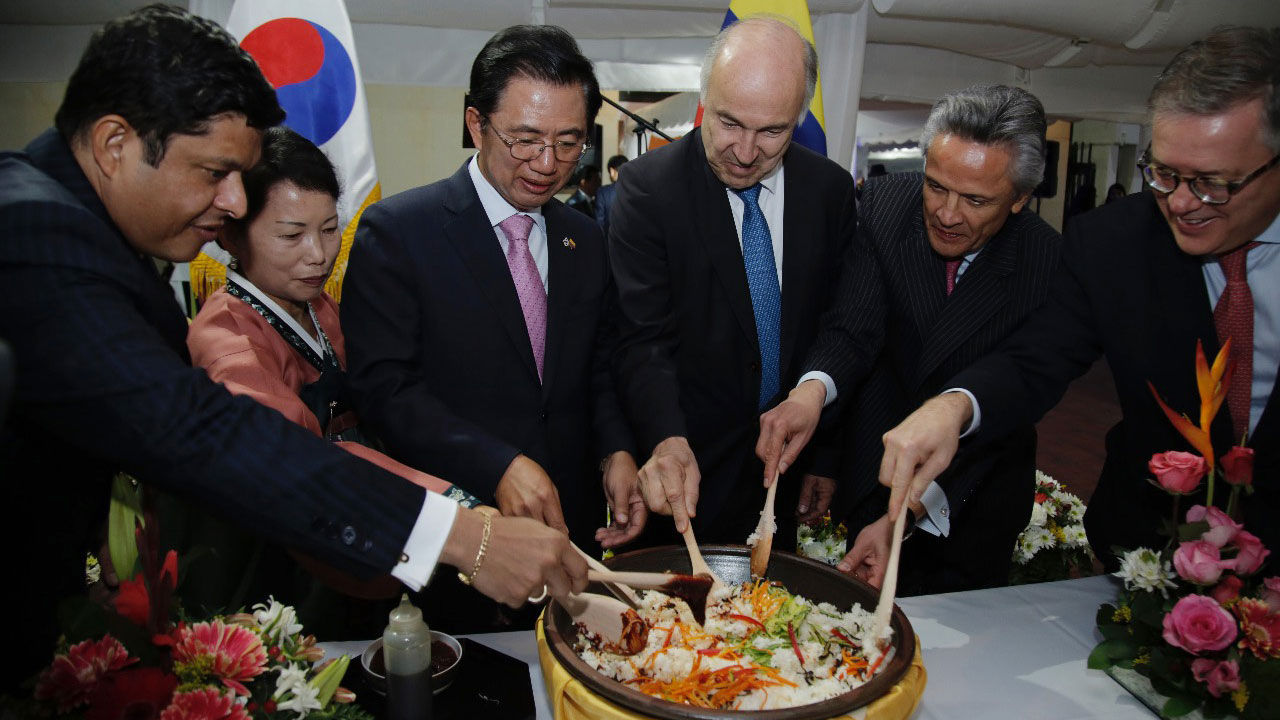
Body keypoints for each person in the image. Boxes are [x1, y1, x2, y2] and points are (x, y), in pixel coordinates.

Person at [0, 5, 586, 683]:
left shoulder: (84, 230)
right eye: (214, 172)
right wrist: (464, 537)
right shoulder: (37, 236)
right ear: (115, 144)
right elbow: (207, 434)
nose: (232, 202)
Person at [874, 26, 1280, 573]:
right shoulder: (1111, 243)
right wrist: (956, 407)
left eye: (1214, 182)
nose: (1182, 203)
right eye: (1162, 173)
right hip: (1151, 551)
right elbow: (1038, 357)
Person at [341, 25, 639, 595]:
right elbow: (384, 390)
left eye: (570, 142)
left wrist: (616, 450)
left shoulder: (584, 238)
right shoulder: (400, 232)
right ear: (476, 124)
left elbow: (597, 363)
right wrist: (497, 465)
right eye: (525, 139)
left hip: (569, 529)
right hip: (462, 535)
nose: (548, 164)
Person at [755, 85, 1062, 594]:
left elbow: (1008, 401)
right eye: (936, 186)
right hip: (875, 473)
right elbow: (853, 329)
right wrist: (810, 394)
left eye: (975, 200)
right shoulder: (885, 205)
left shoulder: (1046, 263)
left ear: (1021, 198)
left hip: (970, 497)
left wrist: (912, 512)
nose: (946, 213)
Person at [609, 16, 856, 546]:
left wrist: (827, 454)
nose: (746, 152)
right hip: (685, 475)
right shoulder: (650, 190)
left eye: (772, 132)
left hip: (789, 470)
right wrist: (667, 439)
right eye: (728, 123)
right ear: (705, 97)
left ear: (799, 118)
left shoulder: (829, 191)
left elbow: (838, 325)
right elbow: (642, 339)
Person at [595, 154, 628, 236]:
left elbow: (599, 223)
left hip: (610, 243)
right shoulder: (638, 190)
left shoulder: (603, 192)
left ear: (612, 171)